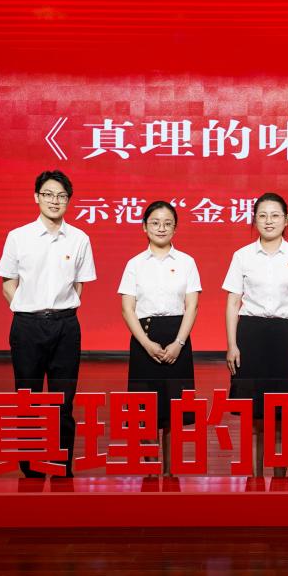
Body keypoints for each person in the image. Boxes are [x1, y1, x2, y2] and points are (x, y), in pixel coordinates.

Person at [0, 170, 96, 477]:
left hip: (66, 327)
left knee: (63, 401)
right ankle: (31, 468)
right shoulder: (18, 237)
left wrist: (59, 311)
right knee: (27, 398)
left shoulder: (79, 239)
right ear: (36, 197)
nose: (55, 201)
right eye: (48, 194)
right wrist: (27, 309)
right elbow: (8, 282)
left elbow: (79, 285)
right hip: (27, 326)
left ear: (69, 200)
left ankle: (62, 465)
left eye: (61, 196)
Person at [223, 193, 288, 477]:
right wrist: (232, 345)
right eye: (262, 215)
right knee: (253, 416)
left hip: (285, 337)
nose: (269, 221)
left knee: (282, 415)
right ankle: (254, 478)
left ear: (287, 220)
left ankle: (279, 480)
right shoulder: (242, 256)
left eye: (275, 215)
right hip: (250, 335)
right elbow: (232, 303)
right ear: (254, 220)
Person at [118, 201, 202, 475]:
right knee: (145, 412)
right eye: (155, 222)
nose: (161, 228)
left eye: (167, 223)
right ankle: (153, 470)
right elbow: (127, 308)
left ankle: (170, 472)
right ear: (145, 227)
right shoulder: (134, 264)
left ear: (175, 228)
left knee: (174, 412)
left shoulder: (187, 262)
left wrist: (179, 343)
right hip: (145, 338)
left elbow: (192, 306)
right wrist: (145, 343)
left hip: (178, 338)